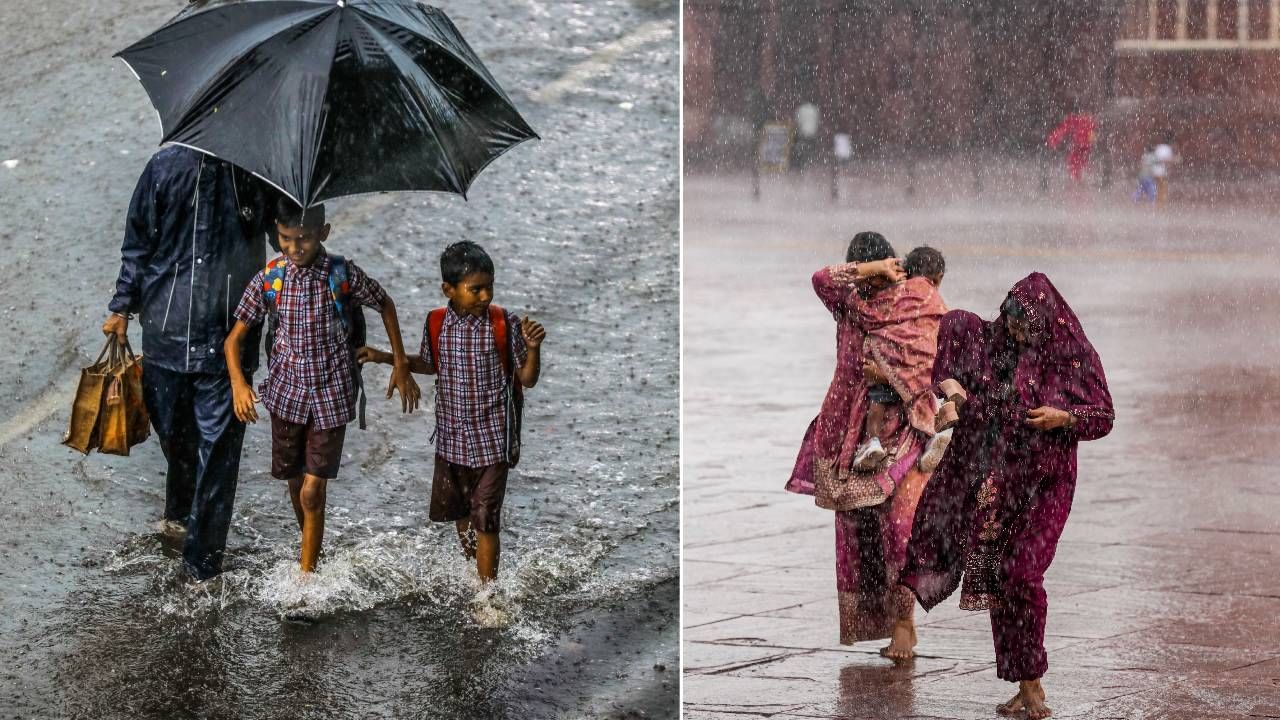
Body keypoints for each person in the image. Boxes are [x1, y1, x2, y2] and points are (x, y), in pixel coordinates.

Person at [900, 273, 1114, 720]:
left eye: (1023, 326)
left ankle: (1032, 684)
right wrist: (953, 393)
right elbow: (955, 344)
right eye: (1010, 322)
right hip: (1000, 483)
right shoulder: (990, 344)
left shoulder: (1071, 356)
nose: (1015, 332)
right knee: (1001, 577)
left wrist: (1064, 417)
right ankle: (1025, 684)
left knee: (1023, 573)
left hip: (1047, 483)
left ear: (1044, 323)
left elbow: (1103, 416)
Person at [103, 145, 275, 581]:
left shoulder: (257, 172)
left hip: (228, 343)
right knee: (176, 440)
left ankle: (202, 568)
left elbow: (287, 236)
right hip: (166, 333)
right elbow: (138, 243)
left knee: (217, 455)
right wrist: (121, 306)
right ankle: (179, 518)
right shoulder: (164, 168)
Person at [223, 199, 420, 577]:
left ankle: (307, 574)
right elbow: (233, 340)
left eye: (304, 239)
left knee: (312, 491)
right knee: (294, 480)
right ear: (277, 233)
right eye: (285, 238)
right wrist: (238, 384)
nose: (294, 248)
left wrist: (400, 362)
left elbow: (385, 303)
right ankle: (311, 547)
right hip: (285, 394)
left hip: (331, 395)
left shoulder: (342, 274)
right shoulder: (271, 278)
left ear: (323, 233)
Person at [785, 231, 946, 661]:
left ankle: (904, 625)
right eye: (865, 279)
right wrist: (869, 272)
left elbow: (930, 353)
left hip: (904, 427)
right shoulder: (849, 303)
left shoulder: (909, 302)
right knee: (860, 535)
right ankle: (879, 622)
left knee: (899, 529)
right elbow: (821, 278)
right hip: (852, 437)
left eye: (878, 280)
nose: (871, 288)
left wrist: (889, 374)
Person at [361, 241, 545, 586]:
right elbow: (429, 364)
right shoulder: (436, 322)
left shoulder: (504, 323)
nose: (485, 296)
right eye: (476, 289)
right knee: (462, 515)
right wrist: (386, 358)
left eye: (489, 287)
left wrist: (533, 349)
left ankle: (487, 594)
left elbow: (527, 378)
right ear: (449, 289)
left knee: (486, 519)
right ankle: (475, 573)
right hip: (451, 442)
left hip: (493, 442)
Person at [852, 245, 948, 470]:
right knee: (929, 397)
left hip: (888, 361)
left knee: (877, 402)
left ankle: (872, 442)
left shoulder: (896, 292)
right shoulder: (933, 297)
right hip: (919, 369)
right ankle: (933, 435)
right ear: (938, 278)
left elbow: (875, 317)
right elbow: (942, 327)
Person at [1046, 107, 1097, 183]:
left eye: (1087, 114)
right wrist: (1054, 139)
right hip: (1081, 149)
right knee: (1077, 165)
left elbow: (1063, 129)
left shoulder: (1086, 122)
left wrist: (1054, 139)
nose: (1085, 115)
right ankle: (1079, 181)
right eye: (1084, 113)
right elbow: (1063, 129)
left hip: (1084, 149)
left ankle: (1079, 181)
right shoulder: (1079, 121)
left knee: (1078, 165)